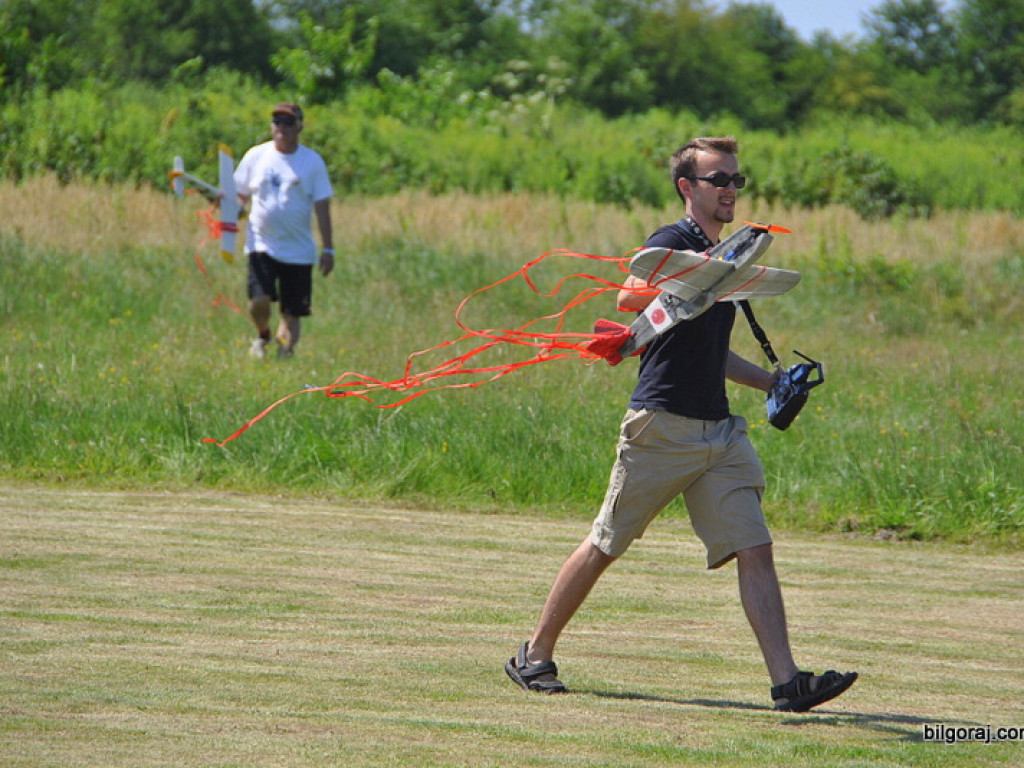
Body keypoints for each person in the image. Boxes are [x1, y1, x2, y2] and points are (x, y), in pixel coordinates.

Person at [505, 136, 858, 713]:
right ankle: (534, 654)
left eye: (736, 180)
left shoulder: (724, 260)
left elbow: (708, 353)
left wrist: (773, 384)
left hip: (718, 432)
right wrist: (695, 277)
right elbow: (628, 296)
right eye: (718, 179)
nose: (729, 190)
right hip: (662, 426)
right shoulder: (675, 244)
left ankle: (788, 683)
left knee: (756, 546)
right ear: (687, 188)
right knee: (605, 543)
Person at [234, 102, 334, 360]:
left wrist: (328, 248)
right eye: (277, 122)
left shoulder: (312, 163)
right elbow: (239, 194)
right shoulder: (256, 156)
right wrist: (230, 209)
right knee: (259, 301)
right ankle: (263, 335)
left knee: (292, 311)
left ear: (299, 127)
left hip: (298, 250)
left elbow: (322, 206)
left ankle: (285, 354)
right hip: (261, 243)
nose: (282, 128)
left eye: (288, 123)